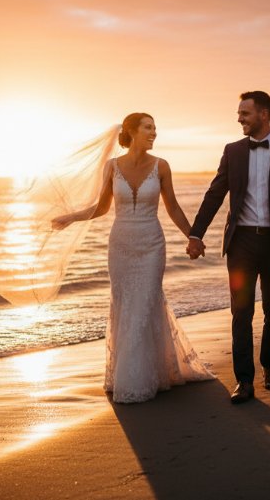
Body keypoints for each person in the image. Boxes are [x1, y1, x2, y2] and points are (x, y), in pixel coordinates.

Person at [52, 113, 214, 403]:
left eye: (155, 128)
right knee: (126, 305)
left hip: (152, 244)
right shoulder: (112, 167)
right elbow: (100, 209)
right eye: (148, 128)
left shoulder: (161, 166)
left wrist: (194, 236)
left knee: (146, 302)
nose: (154, 133)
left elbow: (173, 207)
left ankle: (141, 378)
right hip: (121, 245)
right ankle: (134, 374)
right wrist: (71, 217)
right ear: (132, 131)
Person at [187, 91, 270, 404]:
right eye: (239, 113)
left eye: (245, 113)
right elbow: (215, 194)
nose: (239, 119)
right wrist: (196, 234)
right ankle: (244, 381)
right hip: (241, 243)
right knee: (241, 311)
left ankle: (269, 365)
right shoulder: (232, 151)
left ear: (263, 114)